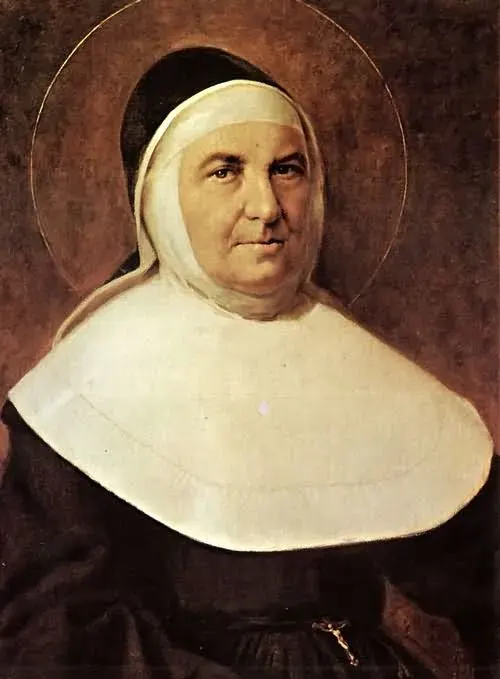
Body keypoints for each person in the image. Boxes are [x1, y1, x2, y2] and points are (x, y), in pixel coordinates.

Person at [0, 47, 496, 679]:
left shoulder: (357, 360)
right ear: (160, 198)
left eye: (286, 169)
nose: (267, 207)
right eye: (225, 171)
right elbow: (51, 636)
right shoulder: (81, 392)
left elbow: (482, 564)